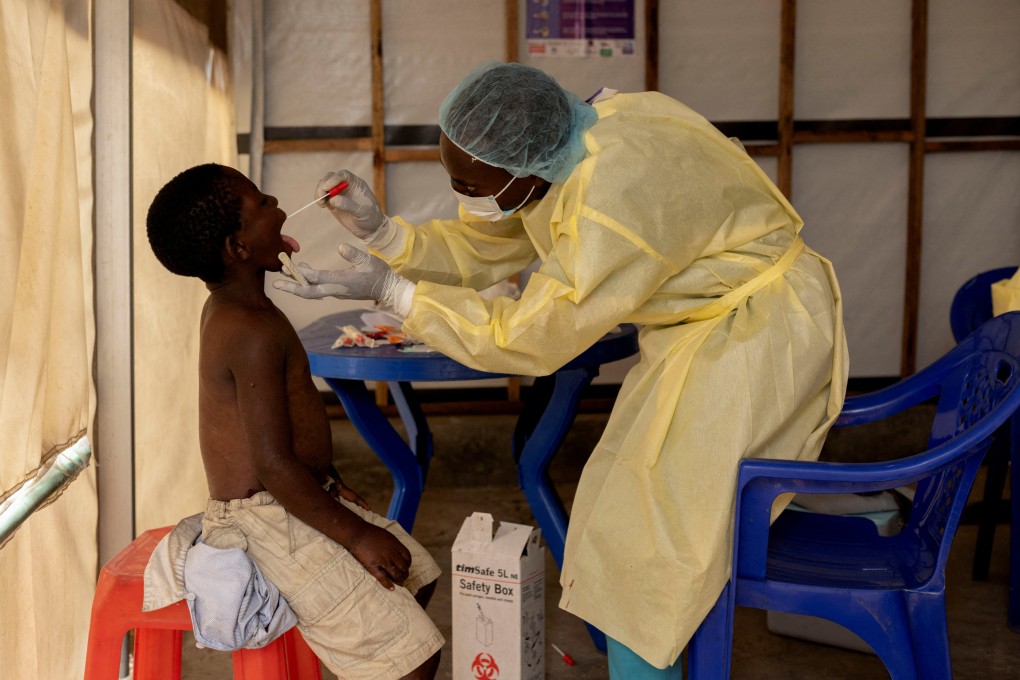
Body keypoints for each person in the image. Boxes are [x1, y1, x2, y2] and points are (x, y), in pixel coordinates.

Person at [275, 61, 849, 678]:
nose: (462, 193)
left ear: (523, 166)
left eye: (471, 182)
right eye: (453, 177)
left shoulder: (611, 200)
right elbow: (495, 243)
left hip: (755, 337)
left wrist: (397, 294)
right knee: (618, 516)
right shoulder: (582, 136)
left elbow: (532, 338)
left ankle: (652, 660)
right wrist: (388, 237)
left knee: (658, 548)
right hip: (710, 329)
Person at [145, 163, 444, 680]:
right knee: (413, 662)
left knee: (414, 575)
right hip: (267, 518)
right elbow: (272, 463)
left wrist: (331, 484)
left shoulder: (242, 308)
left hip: (291, 494)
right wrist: (355, 536)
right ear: (238, 248)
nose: (277, 200)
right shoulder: (249, 330)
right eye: (262, 202)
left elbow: (276, 442)